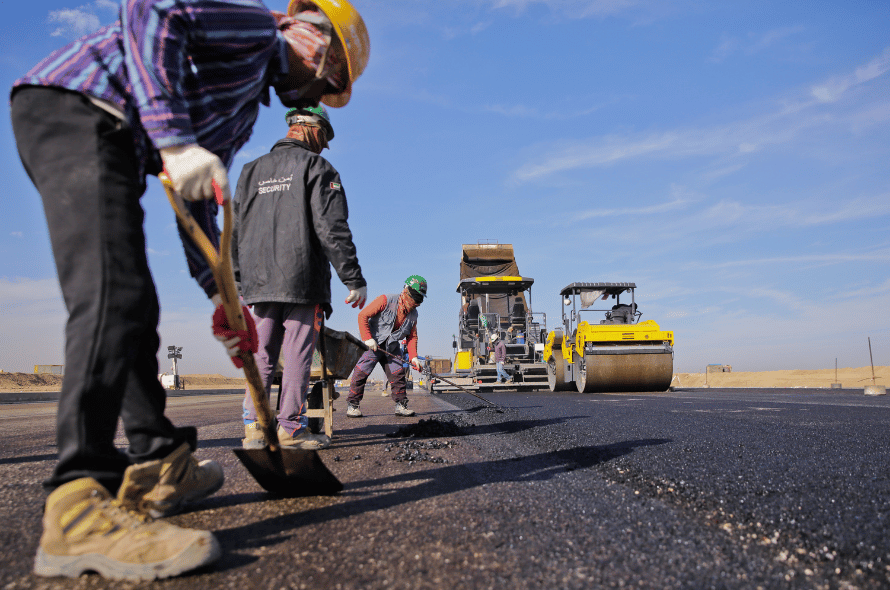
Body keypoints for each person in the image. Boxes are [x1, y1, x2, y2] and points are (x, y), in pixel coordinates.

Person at [9, 0, 369, 581]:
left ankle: (159, 460)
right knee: (112, 298)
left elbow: (197, 195)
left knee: (135, 307)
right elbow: (152, 10)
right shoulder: (256, 29)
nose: (320, 94)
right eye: (328, 82)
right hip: (77, 107)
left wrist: (220, 295)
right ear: (316, 43)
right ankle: (77, 508)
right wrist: (174, 140)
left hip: (114, 136)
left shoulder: (242, 108)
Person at [233, 105, 366, 451]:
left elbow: (235, 230)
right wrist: (353, 278)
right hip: (301, 279)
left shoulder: (250, 171)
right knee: (296, 355)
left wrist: (238, 279)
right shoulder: (318, 168)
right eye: (324, 138)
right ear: (312, 129)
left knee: (261, 354)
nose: (323, 147)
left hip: (258, 282)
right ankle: (290, 429)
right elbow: (332, 227)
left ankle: (254, 428)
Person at [347, 276, 427, 417]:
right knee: (361, 372)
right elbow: (363, 315)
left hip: (391, 347)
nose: (416, 302)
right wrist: (367, 338)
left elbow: (412, 337)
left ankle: (401, 406)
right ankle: (353, 405)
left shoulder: (413, 314)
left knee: (398, 375)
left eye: (419, 299)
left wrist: (414, 357)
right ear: (405, 291)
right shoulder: (385, 300)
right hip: (373, 344)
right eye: (414, 297)